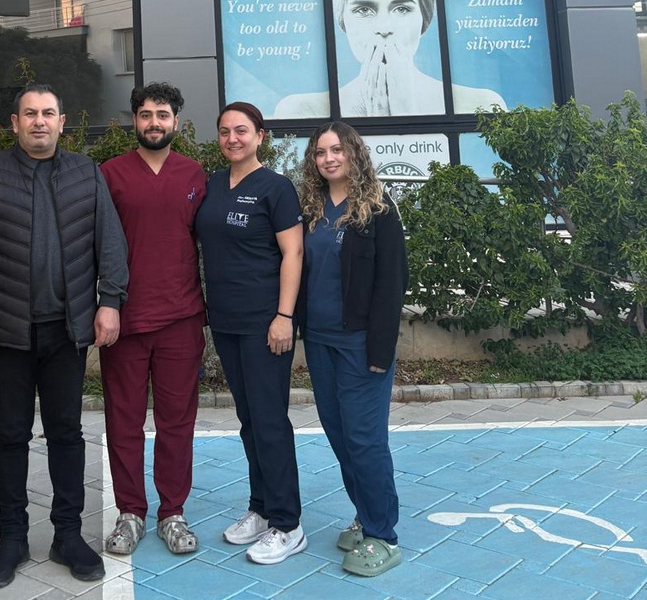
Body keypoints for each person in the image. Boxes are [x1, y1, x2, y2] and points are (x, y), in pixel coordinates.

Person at [0, 83, 129, 588]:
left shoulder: (86, 173)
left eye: (48, 113)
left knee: (67, 434)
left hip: (66, 332)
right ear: (15, 123)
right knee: (10, 435)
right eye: (30, 114)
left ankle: (67, 535)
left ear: (62, 122)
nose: (39, 121)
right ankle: (12, 538)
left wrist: (110, 301)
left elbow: (110, 243)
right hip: (6, 332)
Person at [194, 102, 306, 565]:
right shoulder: (213, 184)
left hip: (266, 323)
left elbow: (293, 254)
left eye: (241, 130)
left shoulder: (276, 188)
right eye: (224, 131)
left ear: (260, 136)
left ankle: (288, 523)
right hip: (226, 321)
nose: (232, 139)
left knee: (270, 420)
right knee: (248, 419)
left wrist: (284, 316)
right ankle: (260, 508)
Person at [99, 83, 207, 556]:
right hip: (124, 319)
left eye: (163, 115)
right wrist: (103, 304)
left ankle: (172, 513)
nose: (154, 123)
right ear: (135, 121)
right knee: (123, 421)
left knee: (177, 421)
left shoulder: (195, 174)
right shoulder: (110, 174)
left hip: (182, 316)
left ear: (176, 122)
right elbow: (97, 244)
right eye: (146, 115)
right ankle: (130, 512)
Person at [296, 121, 408, 576]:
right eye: (321, 152)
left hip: (361, 345)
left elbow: (392, 283)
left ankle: (384, 535)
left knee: (365, 440)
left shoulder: (378, 208)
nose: (329, 158)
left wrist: (381, 352)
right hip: (319, 341)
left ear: (354, 154)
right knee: (340, 436)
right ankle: (365, 514)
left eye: (337, 149)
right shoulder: (310, 209)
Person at [273, 0, 506, 118]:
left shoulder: (479, 105)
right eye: (363, 10)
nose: (384, 28)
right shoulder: (301, 110)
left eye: (402, 8)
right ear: (343, 21)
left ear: (423, 21)